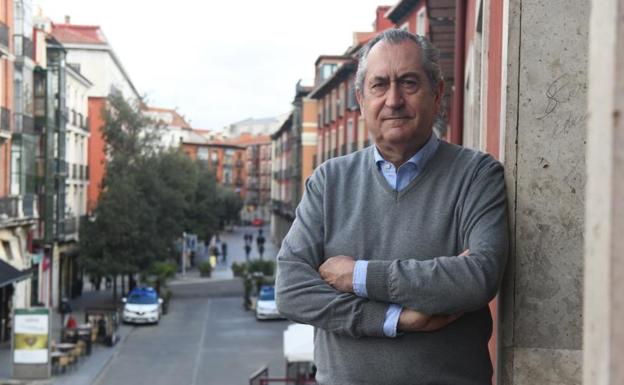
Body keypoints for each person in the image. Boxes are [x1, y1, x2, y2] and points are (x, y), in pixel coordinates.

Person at [275, 29, 509, 385]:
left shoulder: (477, 175)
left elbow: (478, 278)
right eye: (380, 85)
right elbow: (291, 290)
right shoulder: (328, 181)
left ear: (438, 93)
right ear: (361, 98)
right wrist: (394, 319)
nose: (394, 100)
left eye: (409, 83)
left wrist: (357, 276)